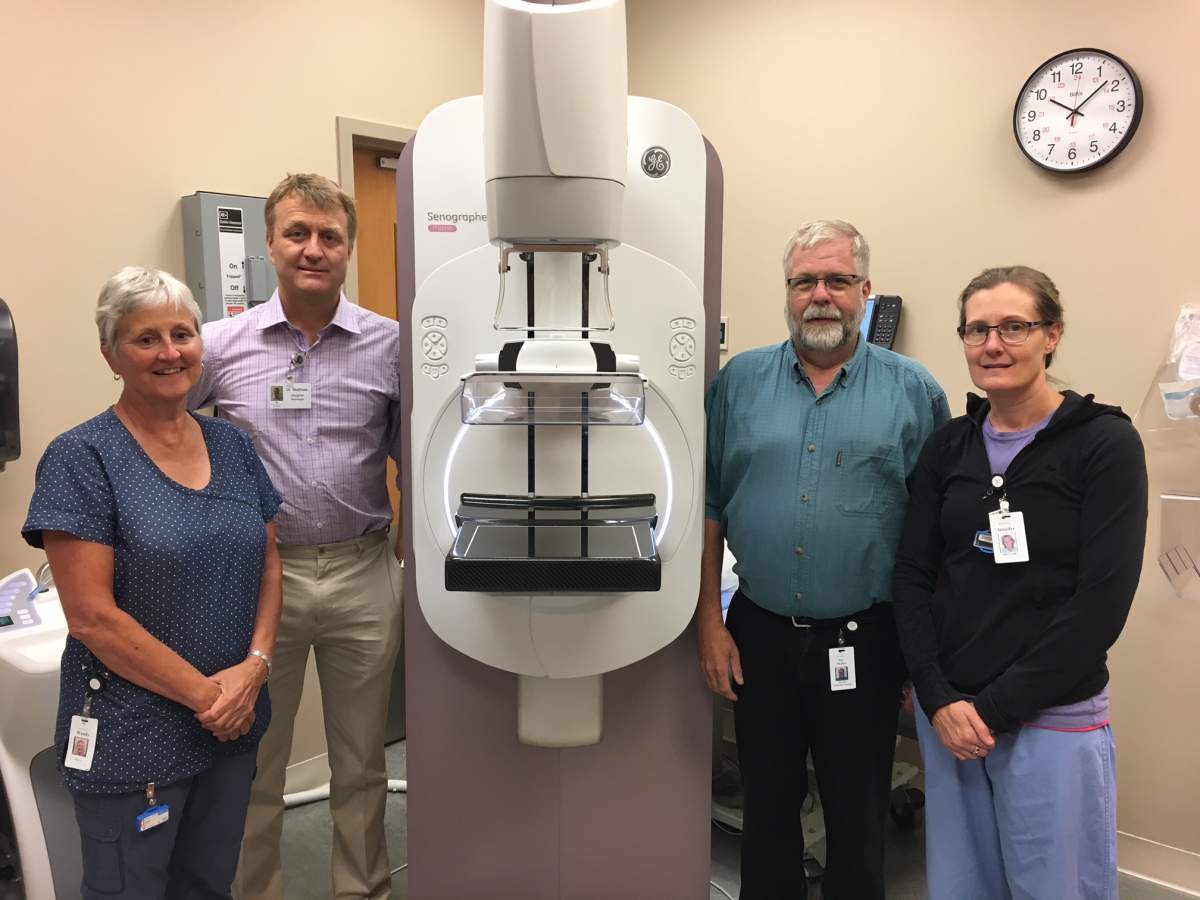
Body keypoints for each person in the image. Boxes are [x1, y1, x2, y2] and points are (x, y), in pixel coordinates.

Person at [698, 220, 950, 899]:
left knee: (856, 811)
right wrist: (710, 625)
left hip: (866, 640)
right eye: (805, 280)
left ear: (865, 291)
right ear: (787, 291)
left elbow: (934, 533)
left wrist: (917, 651)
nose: (820, 295)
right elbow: (710, 505)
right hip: (757, 633)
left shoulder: (913, 391)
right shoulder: (738, 383)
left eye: (837, 280)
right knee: (768, 807)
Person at [22, 266, 282, 899]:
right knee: (129, 889)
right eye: (146, 339)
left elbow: (270, 563)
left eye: (182, 334)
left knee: (208, 882)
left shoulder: (233, 444)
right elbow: (91, 618)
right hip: (134, 730)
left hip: (233, 719)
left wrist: (255, 665)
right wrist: (208, 697)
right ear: (111, 353)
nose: (170, 352)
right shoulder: (82, 458)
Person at [892, 266, 1147, 900]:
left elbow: (1101, 606)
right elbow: (913, 574)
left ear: (1052, 335)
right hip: (950, 713)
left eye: (1015, 326)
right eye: (977, 330)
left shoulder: (1104, 445)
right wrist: (937, 693)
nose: (993, 344)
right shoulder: (948, 447)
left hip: (1049, 715)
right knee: (961, 885)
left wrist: (992, 709)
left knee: (1054, 887)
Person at [190, 172, 403, 900]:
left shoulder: (390, 346)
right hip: (256, 583)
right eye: (297, 234)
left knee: (361, 760)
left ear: (348, 248)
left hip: (363, 572)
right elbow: (154, 439)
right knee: (250, 760)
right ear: (269, 244)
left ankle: (363, 889)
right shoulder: (217, 346)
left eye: (329, 236)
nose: (313, 249)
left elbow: (421, 453)